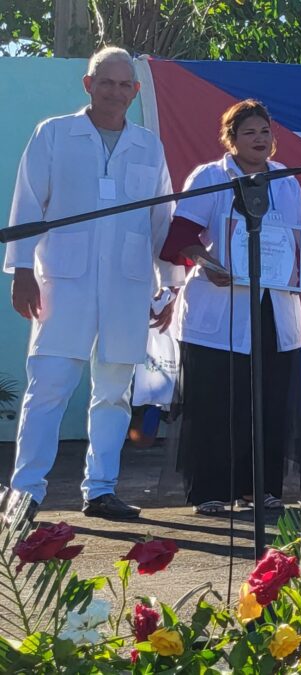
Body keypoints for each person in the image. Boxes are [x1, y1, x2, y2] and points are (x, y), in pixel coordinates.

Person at [3, 47, 181, 522]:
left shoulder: (148, 146)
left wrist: (170, 285)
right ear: (88, 84)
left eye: (126, 85)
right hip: (63, 283)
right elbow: (27, 204)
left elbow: (162, 218)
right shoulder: (55, 134)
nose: (116, 92)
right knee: (49, 388)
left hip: (128, 287)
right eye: (107, 82)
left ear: (136, 91)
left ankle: (100, 489)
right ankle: (25, 493)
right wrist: (20, 270)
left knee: (114, 392)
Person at [158, 99, 301, 515]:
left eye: (265, 132)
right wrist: (207, 264)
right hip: (219, 309)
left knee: (267, 401)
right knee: (215, 402)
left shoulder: (286, 180)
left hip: (272, 310)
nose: (260, 139)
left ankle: (258, 489)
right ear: (231, 139)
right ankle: (209, 491)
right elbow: (179, 240)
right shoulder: (210, 177)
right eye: (249, 133)